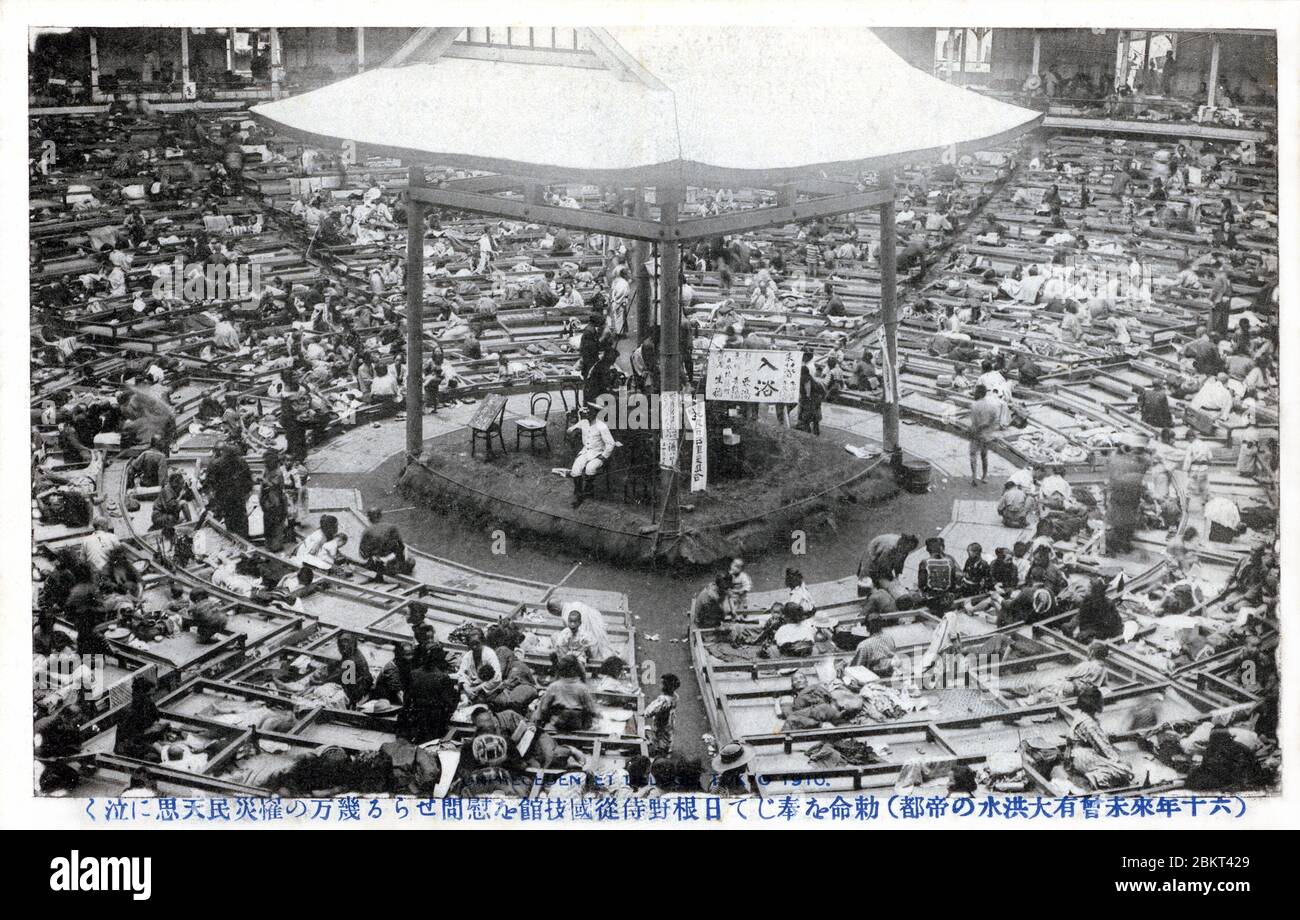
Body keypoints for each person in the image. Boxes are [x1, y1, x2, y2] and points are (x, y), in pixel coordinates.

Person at [1068, 686, 1134, 789]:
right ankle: (1096, 777)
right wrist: (1117, 760)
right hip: (1083, 757)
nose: (1102, 702)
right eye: (1100, 700)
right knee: (1125, 770)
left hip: (1077, 755)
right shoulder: (1089, 723)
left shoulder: (1081, 715)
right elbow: (1102, 746)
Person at [399, 644, 458, 743]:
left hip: (416, 719)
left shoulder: (413, 674)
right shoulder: (442, 677)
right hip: (435, 722)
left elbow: (407, 700)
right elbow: (449, 704)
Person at [566, 404, 615, 508]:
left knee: (590, 468)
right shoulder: (583, 422)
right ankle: (579, 493)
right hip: (586, 452)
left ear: (595, 414)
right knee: (576, 469)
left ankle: (588, 491)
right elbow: (571, 429)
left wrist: (604, 456)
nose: (587, 415)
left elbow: (611, 443)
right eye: (586, 412)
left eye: (589, 413)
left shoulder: (601, 426)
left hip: (598, 453)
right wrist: (573, 430)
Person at [536, 656, 599, 732]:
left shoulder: (554, 686)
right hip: (577, 724)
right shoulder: (582, 688)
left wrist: (539, 720)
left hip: (558, 723)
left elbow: (544, 708)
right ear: (577, 670)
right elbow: (592, 710)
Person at [204, 443, 253, 537]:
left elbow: (209, 483)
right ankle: (243, 538)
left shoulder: (216, 463)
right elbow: (248, 481)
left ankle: (237, 538)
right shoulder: (241, 462)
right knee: (240, 519)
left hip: (226, 497)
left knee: (231, 520)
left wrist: (214, 494)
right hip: (235, 497)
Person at [114, 676, 165, 761]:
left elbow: (155, 719)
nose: (152, 699)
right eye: (149, 696)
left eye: (153, 695)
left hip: (145, 739)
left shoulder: (149, 704)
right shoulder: (128, 713)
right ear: (140, 694)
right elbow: (125, 741)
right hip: (130, 748)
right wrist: (150, 741)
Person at [548, 600, 616, 663]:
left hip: (587, 648)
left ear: (555, 610)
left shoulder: (567, 616)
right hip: (597, 640)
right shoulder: (577, 604)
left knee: (556, 638)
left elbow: (573, 637)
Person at [358, 508, 410, 582]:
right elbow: (401, 546)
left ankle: (381, 569)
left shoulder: (366, 532)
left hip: (375, 565)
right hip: (392, 564)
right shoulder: (392, 527)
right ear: (380, 516)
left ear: (369, 518)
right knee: (410, 561)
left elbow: (363, 554)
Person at [1068, 578, 1123, 643]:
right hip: (1088, 627)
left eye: (1089, 589)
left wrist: (1090, 632)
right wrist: (1072, 624)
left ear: (1095, 591)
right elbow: (1080, 614)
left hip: (1102, 631)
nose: (1087, 590)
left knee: (1083, 637)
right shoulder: (1087, 600)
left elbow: (1109, 627)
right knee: (1067, 628)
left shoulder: (1107, 604)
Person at [968, 385, 1001, 485]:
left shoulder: (974, 405)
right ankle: (984, 476)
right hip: (987, 435)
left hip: (976, 434)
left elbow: (973, 422)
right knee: (984, 455)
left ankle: (974, 477)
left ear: (979, 393)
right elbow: (995, 420)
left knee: (973, 455)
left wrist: (973, 431)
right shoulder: (992, 405)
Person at [917, 537, 958, 614]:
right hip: (947, 600)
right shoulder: (950, 562)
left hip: (932, 601)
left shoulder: (925, 562)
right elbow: (953, 584)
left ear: (927, 549)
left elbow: (921, 584)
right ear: (941, 548)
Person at [643, 674, 680, 756]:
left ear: (665, 686)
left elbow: (648, 712)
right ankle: (665, 750)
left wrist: (643, 713)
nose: (659, 685)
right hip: (668, 721)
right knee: (666, 736)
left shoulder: (663, 700)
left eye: (661, 683)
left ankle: (659, 753)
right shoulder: (675, 696)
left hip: (661, 721)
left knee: (659, 737)